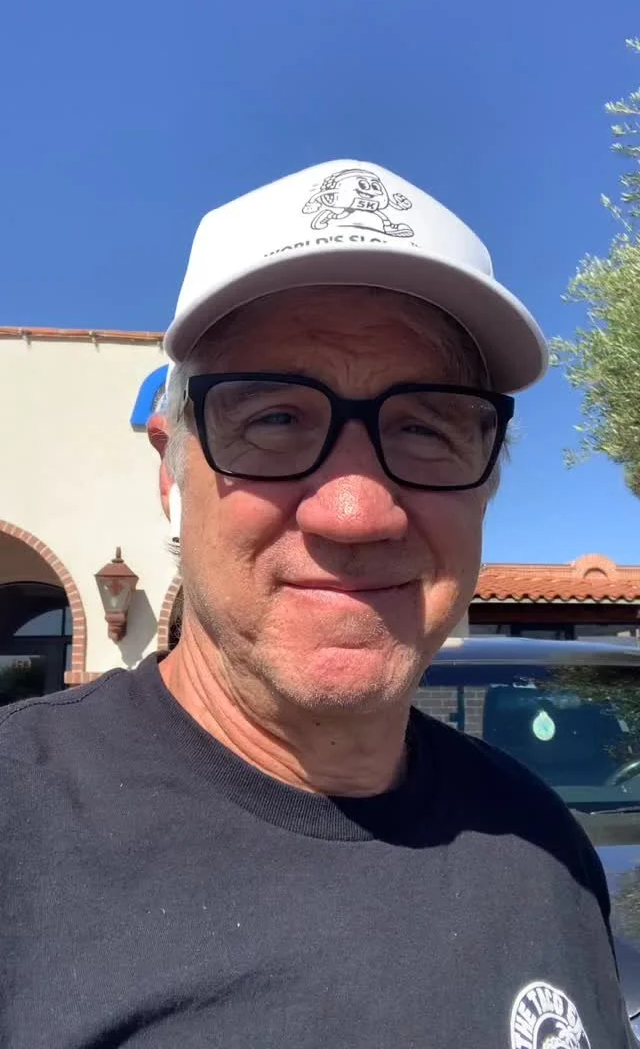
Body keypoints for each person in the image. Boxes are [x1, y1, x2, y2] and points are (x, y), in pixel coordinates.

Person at [0, 160, 632, 1048]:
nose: (356, 513)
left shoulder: (543, 844)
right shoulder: (19, 830)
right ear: (172, 475)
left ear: (487, 483)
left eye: (425, 426)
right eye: (274, 419)